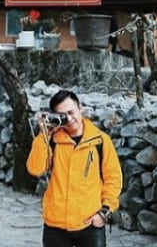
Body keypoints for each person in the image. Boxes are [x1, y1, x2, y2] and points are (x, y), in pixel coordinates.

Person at [26, 89, 123, 247]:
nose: (70, 119)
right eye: (63, 116)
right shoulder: (52, 140)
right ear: (56, 116)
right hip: (56, 225)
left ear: (80, 108)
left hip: (90, 223)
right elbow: (35, 169)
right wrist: (43, 134)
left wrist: (104, 212)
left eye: (72, 112)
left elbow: (114, 179)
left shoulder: (100, 141)